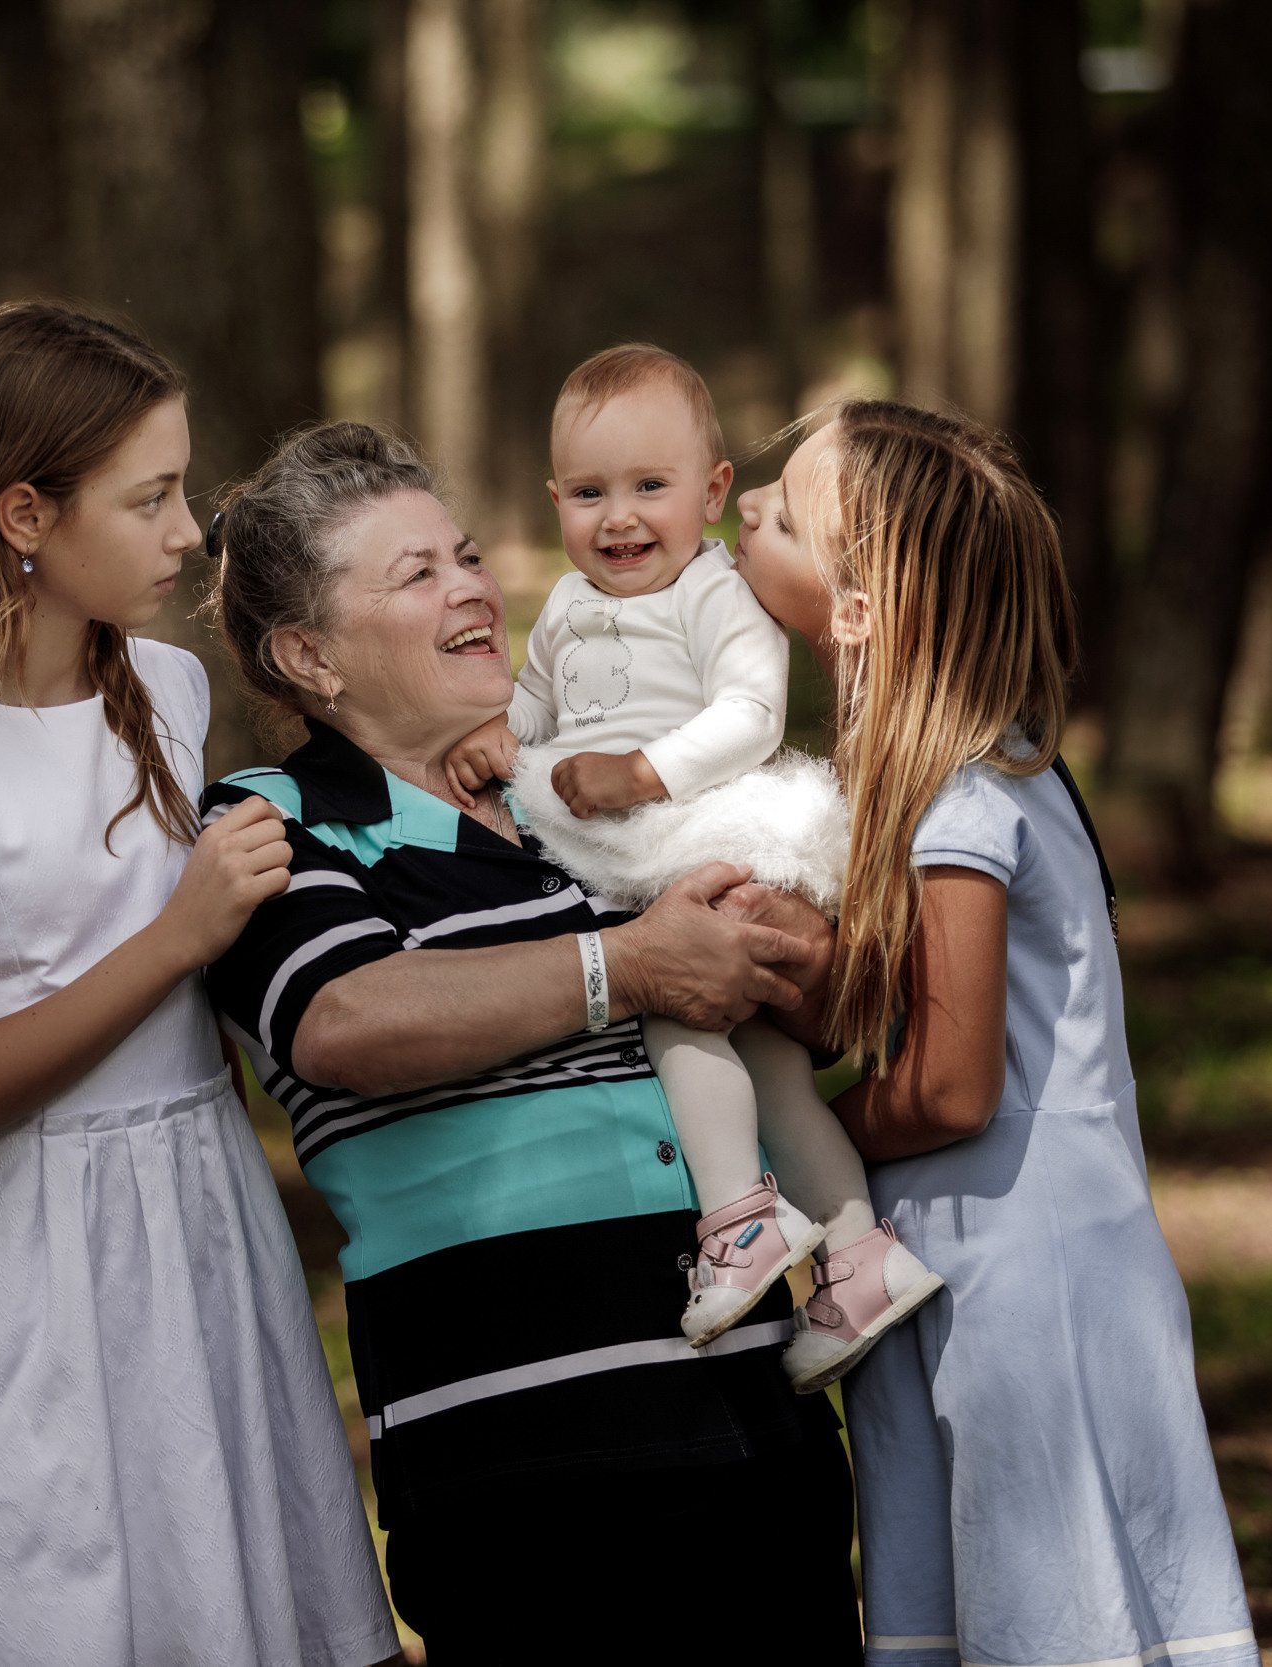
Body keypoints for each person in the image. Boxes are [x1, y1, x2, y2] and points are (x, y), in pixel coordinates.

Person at [0, 304, 398, 1667]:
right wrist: (174, 937)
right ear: (24, 514)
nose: (188, 534)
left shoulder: (165, 689)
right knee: (44, 1597)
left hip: (194, 1221)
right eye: (151, 498)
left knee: (212, 1585)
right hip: (16, 1260)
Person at [199, 422, 861, 1661]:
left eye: (464, 555)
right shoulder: (275, 821)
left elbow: (812, 1007)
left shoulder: (571, 791)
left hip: (754, 1427)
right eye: (417, 575)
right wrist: (626, 965)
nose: (471, 587)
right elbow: (343, 1021)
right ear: (308, 655)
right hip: (526, 1462)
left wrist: (798, 954)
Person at [732, 399, 1260, 1667]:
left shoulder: (959, 802)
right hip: (955, 1261)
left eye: (781, 512)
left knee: (1051, 1616)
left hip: (1024, 1283)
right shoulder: (967, 778)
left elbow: (953, 1086)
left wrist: (805, 1151)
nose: (743, 507)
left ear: (857, 610)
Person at [444, 344, 940, 1387]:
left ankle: (740, 1225)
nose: (618, 517)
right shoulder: (571, 606)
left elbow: (753, 714)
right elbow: (537, 703)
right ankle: (858, 1255)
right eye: (589, 493)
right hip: (634, 832)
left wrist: (641, 770)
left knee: (675, 1005)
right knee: (769, 1068)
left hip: (705, 825)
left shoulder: (715, 591)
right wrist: (502, 734)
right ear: (554, 502)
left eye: (648, 487)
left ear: (712, 492)